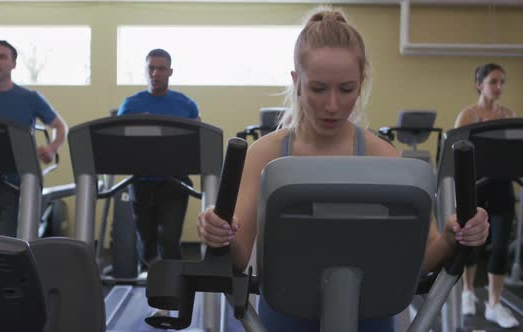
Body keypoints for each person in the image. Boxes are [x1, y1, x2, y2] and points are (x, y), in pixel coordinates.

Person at [197, 7, 490, 332]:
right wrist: (219, 232)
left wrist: (452, 236)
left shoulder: (384, 157)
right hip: (284, 316)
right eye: (318, 89)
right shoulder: (264, 154)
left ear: (360, 82)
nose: (332, 105)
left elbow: (421, 260)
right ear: (296, 81)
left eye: (346, 89)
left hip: (371, 317)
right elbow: (238, 257)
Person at [0, 40, 68, 238]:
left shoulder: (30, 98)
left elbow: (60, 127)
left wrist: (52, 148)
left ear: (13, 64)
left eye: (2, 57)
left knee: (7, 240)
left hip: (18, 183)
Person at [117, 48, 200, 263]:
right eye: (151, 68)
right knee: (147, 247)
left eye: (161, 68)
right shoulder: (131, 105)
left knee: (169, 241)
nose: (155, 73)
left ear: (170, 72)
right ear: (146, 71)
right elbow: (118, 144)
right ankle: (156, 287)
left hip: (175, 182)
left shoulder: (186, 105)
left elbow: (199, 140)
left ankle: (172, 292)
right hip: (141, 182)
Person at [455, 63, 519, 328]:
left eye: (502, 81)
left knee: (501, 244)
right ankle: (468, 292)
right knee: (472, 243)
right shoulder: (468, 115)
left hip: (502, 185)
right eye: (493, 81)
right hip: (476, 186)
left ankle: (494, 303)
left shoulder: (509, 114)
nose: (499, 87)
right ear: (479, 84)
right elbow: (457, 154)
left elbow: (515, 151)